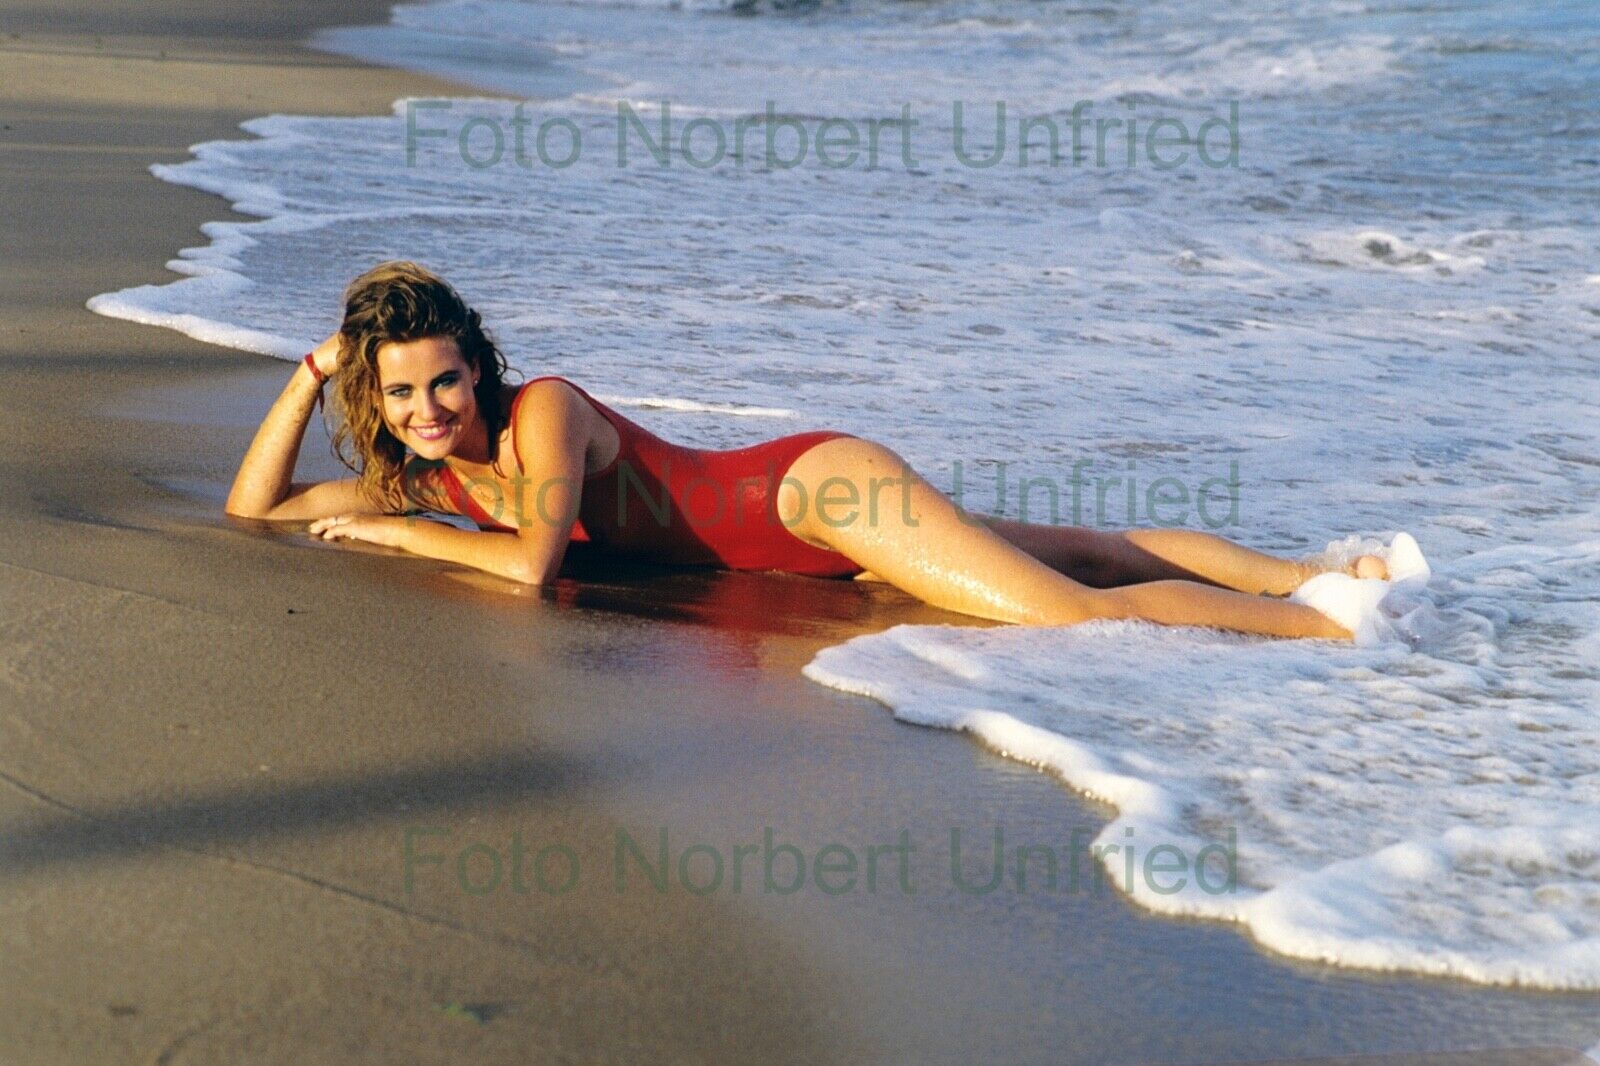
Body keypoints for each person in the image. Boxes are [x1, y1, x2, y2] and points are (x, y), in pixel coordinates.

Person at [225, 261, 1390, 639]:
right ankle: (1319, 571)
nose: (432, 407)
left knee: (1068, 610)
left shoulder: (544, 414)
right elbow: (253, 512)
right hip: (808, 549)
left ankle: (1332, 626)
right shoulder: (423, 474)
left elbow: (532, 571)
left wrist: (404, 533)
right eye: (406, 393)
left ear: (477, 368)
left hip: (819, 494)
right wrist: (311, 373)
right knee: (1088, 552)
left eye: (445, 380)